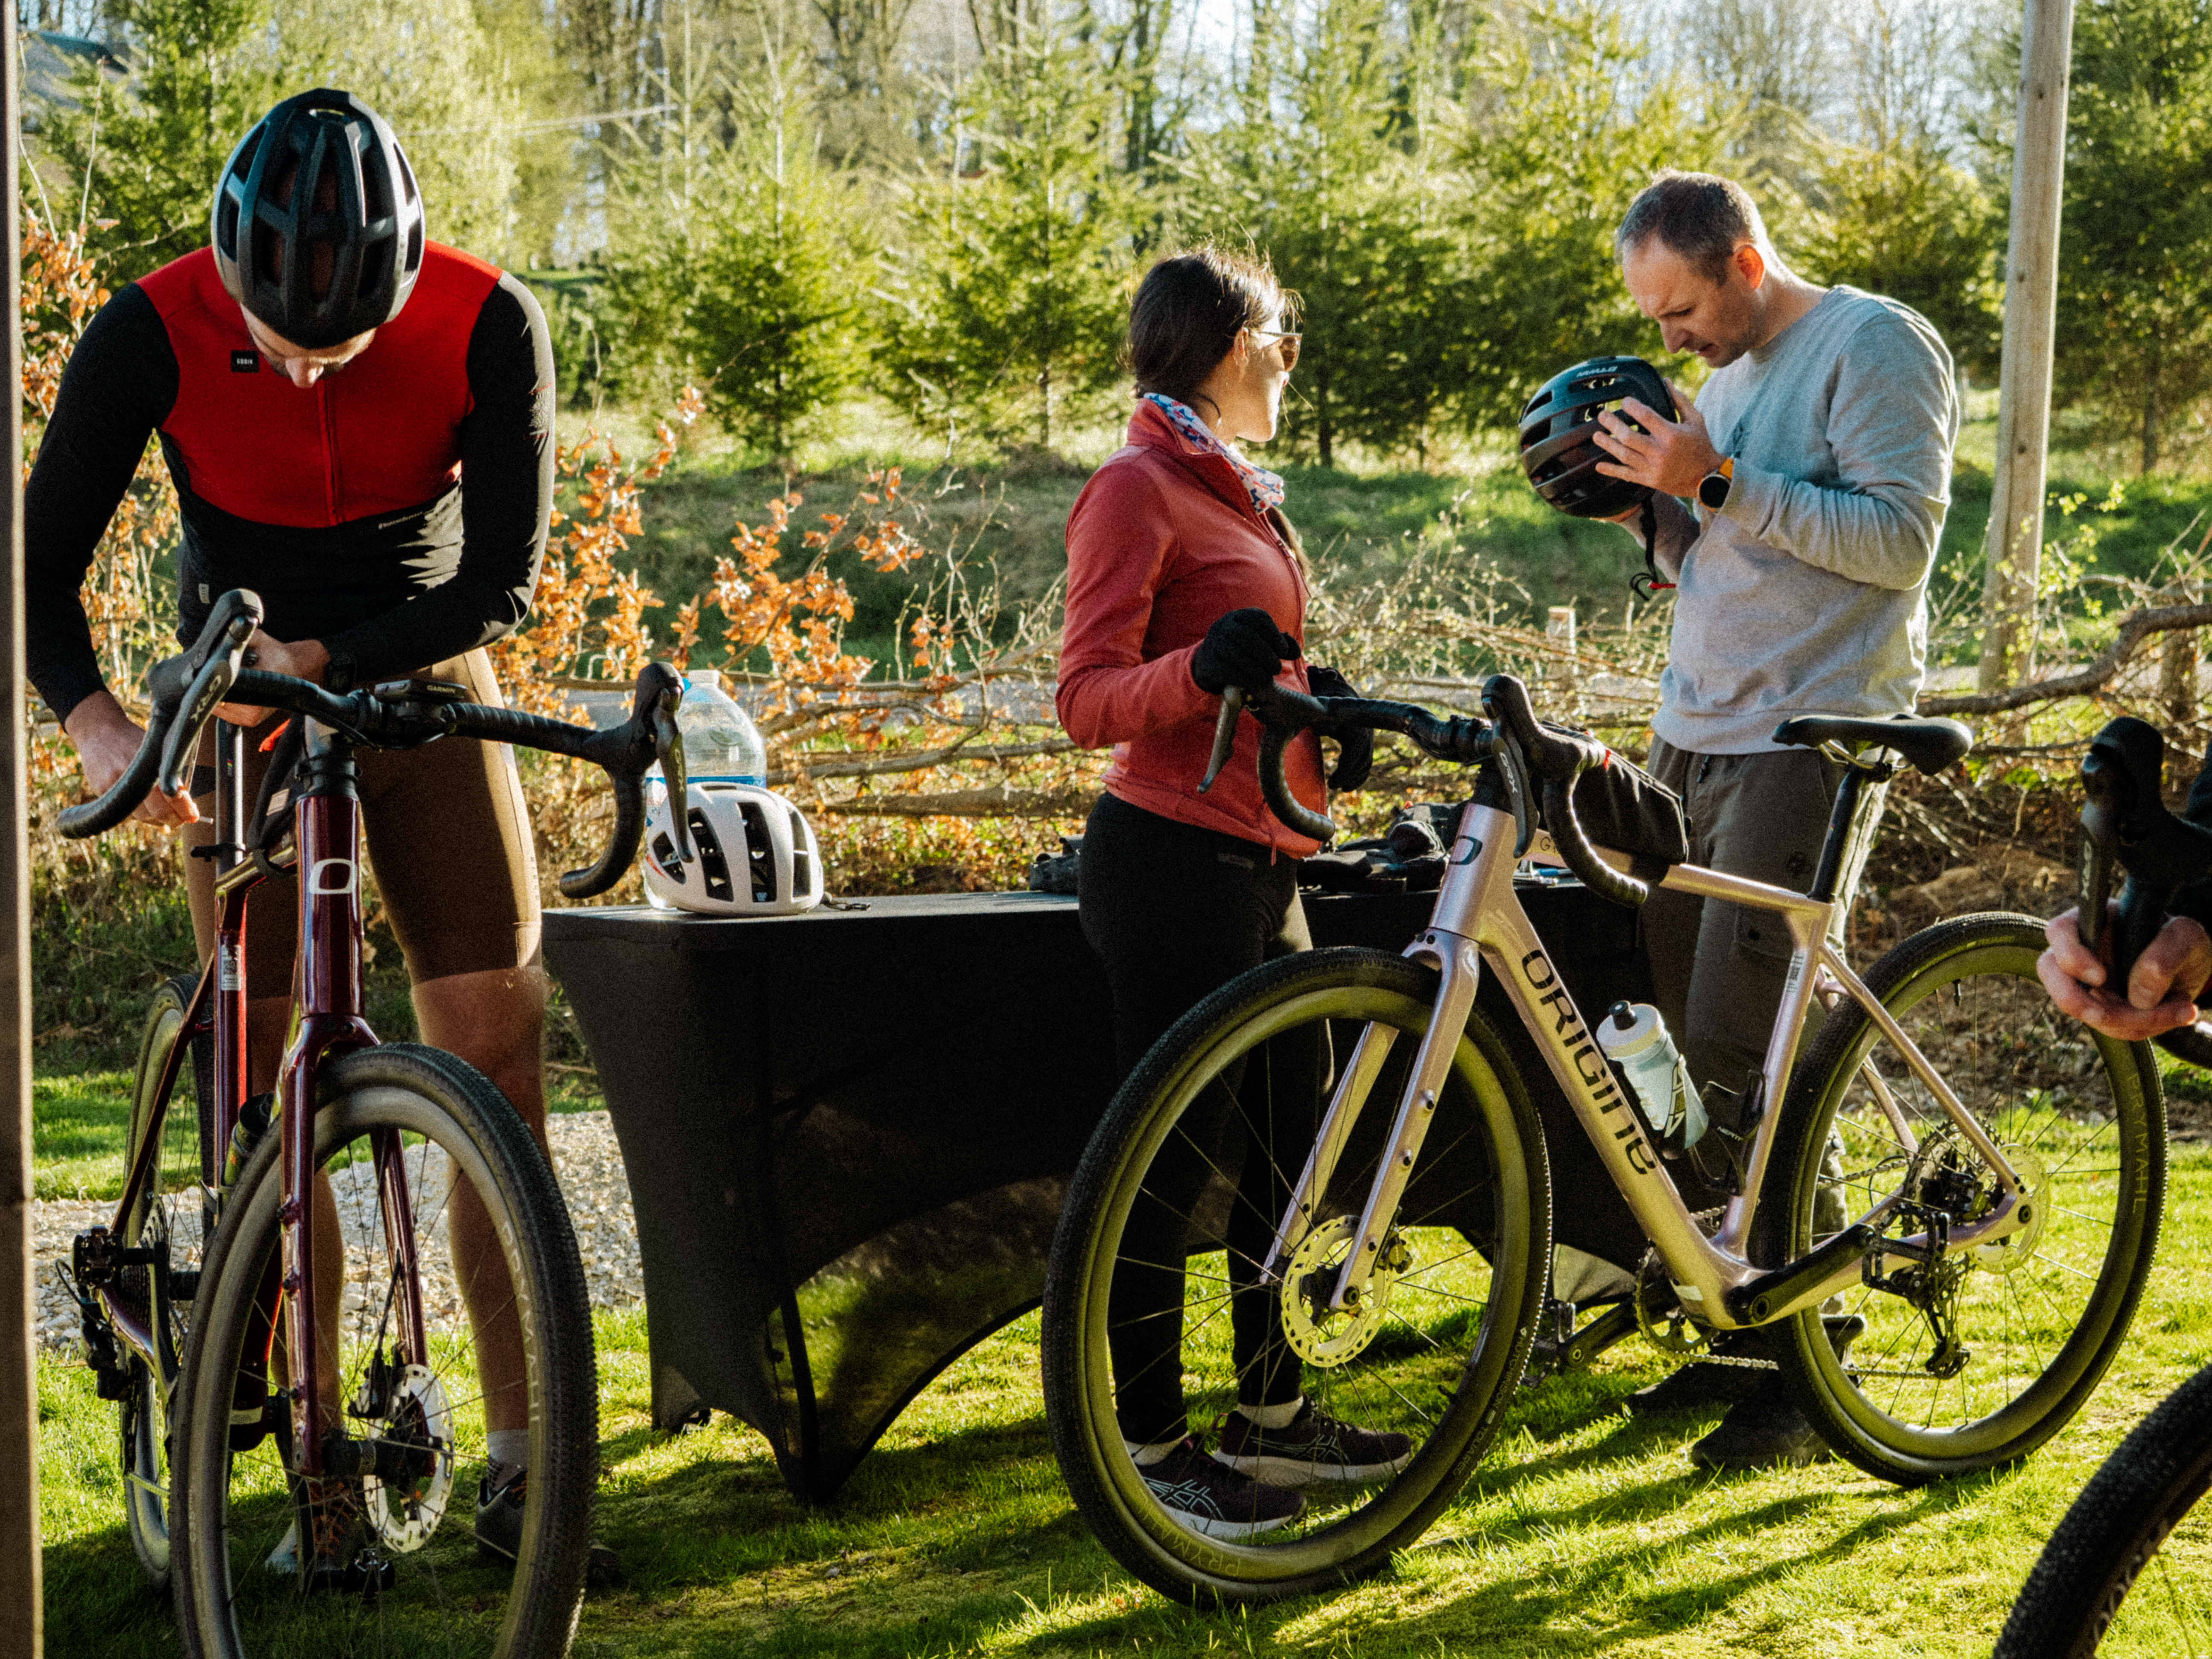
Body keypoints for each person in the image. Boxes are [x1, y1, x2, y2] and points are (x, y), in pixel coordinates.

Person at [24, 88, 600, 1582]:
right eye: (283, 342)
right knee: (265, 1095)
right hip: (239, 706)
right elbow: (38, 559)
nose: (309, 369)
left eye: (344, 346)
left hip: (421, 682)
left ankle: (525, 1459)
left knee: (497, 1058)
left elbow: (503, 583)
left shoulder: (490, 322)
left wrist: (333, 669)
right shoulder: (147, 328)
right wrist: (91, 714)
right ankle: (315, 1468)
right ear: (232, 271)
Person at [1585, 169, 1962, 1469]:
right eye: (1656, 312)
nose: (1671, 333)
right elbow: (1718, 550)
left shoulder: (1874, 343)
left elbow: (1901, 542)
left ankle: (1812, 1362)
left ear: (1744, 263)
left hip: (1813, 738)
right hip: (1692, 736)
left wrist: (1723, 478)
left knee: (1744, 1045)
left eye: (1682, 305)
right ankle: (1745, 1326)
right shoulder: (1726, 381)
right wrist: (1656, 506)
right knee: (1675, 1071)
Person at [1056, 247, 1399, 1539]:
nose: (1291, 359)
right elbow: (1088, 699)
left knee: (1290, 1155)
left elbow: (1249, 658)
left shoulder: (1237, 492)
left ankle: (1274, 1411)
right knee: (1167, 1165)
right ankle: (1152, 1448)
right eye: (1281, 335)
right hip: (1169, 867)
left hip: (1268, 864)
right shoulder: (1135, 489)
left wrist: (1322, 707)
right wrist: (1205, 669)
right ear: (1225, 339)